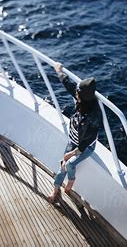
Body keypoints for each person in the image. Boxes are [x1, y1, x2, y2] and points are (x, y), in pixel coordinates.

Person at [48, 62, 102, 203]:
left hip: (85, 146)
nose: (75, 94)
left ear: (84, 97)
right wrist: (59, 71)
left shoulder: (94, 116)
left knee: (69, 164)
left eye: (78, 93)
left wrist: (71, 154)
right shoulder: (82, 98)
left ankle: (71, 180)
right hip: (73, 140)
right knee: (62, 166)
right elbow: (69, 85)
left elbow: (86, 141)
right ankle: (55, 191)